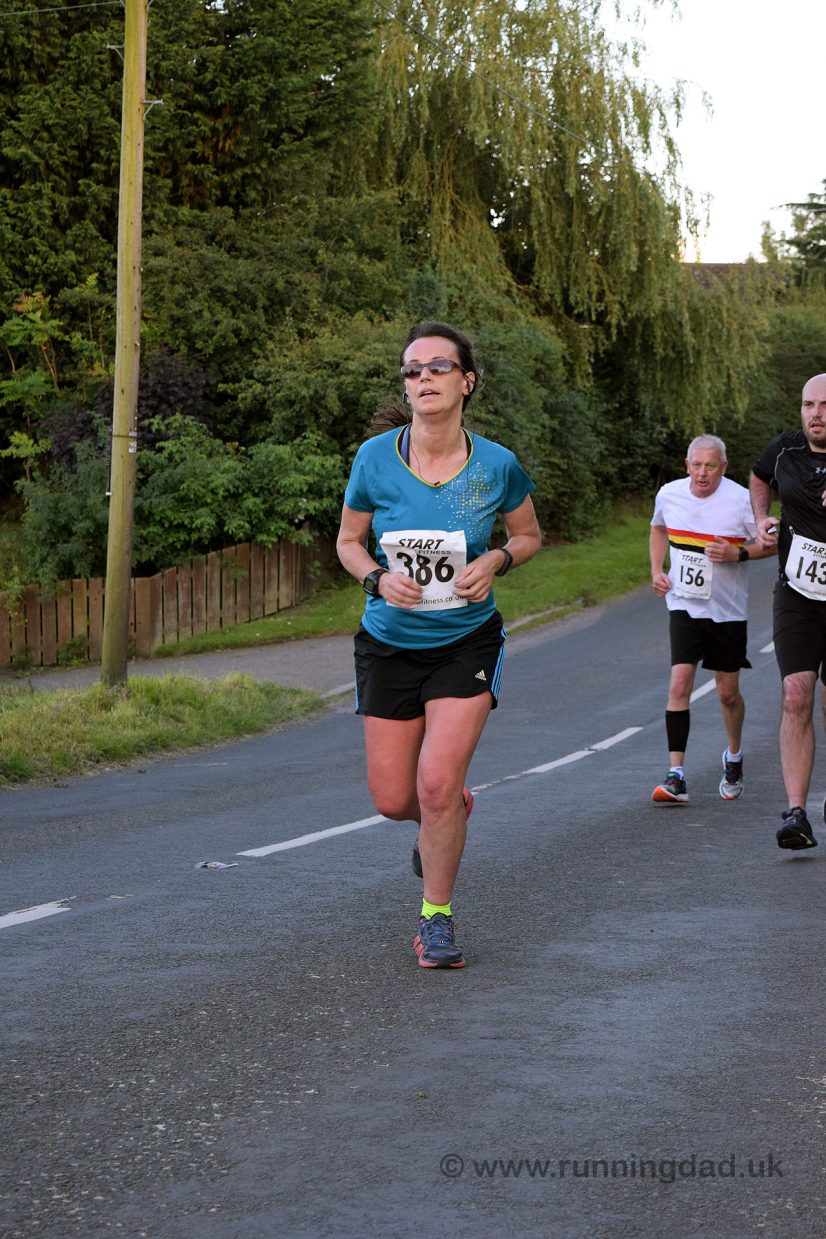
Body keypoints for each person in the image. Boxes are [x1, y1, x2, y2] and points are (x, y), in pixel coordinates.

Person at [336, 321, 541, 968]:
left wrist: (499, 560)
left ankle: (436, 918)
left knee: (434, 782)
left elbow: (531, 534)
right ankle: (448, 807)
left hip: (466, 641)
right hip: (389, 642)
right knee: (395, 800)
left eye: (436, 367)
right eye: (411, 370)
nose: (421, 378)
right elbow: (347, 541)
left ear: (466, 381)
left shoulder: (496, 465)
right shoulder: (374, 458)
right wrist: (375, 576)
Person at [649, 434, 773, 805]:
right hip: (684, 604)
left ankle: (733, 757)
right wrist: (657, 569)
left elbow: (771, 545)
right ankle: (676, 775)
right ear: (686, 465)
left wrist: (739, 554)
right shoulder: (669, 494)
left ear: (724, 467)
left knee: (727, 693)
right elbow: (657, 528)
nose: (703, 474)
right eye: (696, 465)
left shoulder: (740, 500)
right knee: (679, 683)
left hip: (727, 610)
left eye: (711, 466)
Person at [750, 372, 826, 850]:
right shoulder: (786, 449)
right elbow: (760, 479)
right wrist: (761, 519)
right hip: (797, 593)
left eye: (825, 406)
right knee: (796, 694)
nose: (816, 414)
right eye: (808, 405)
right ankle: (796, 812)